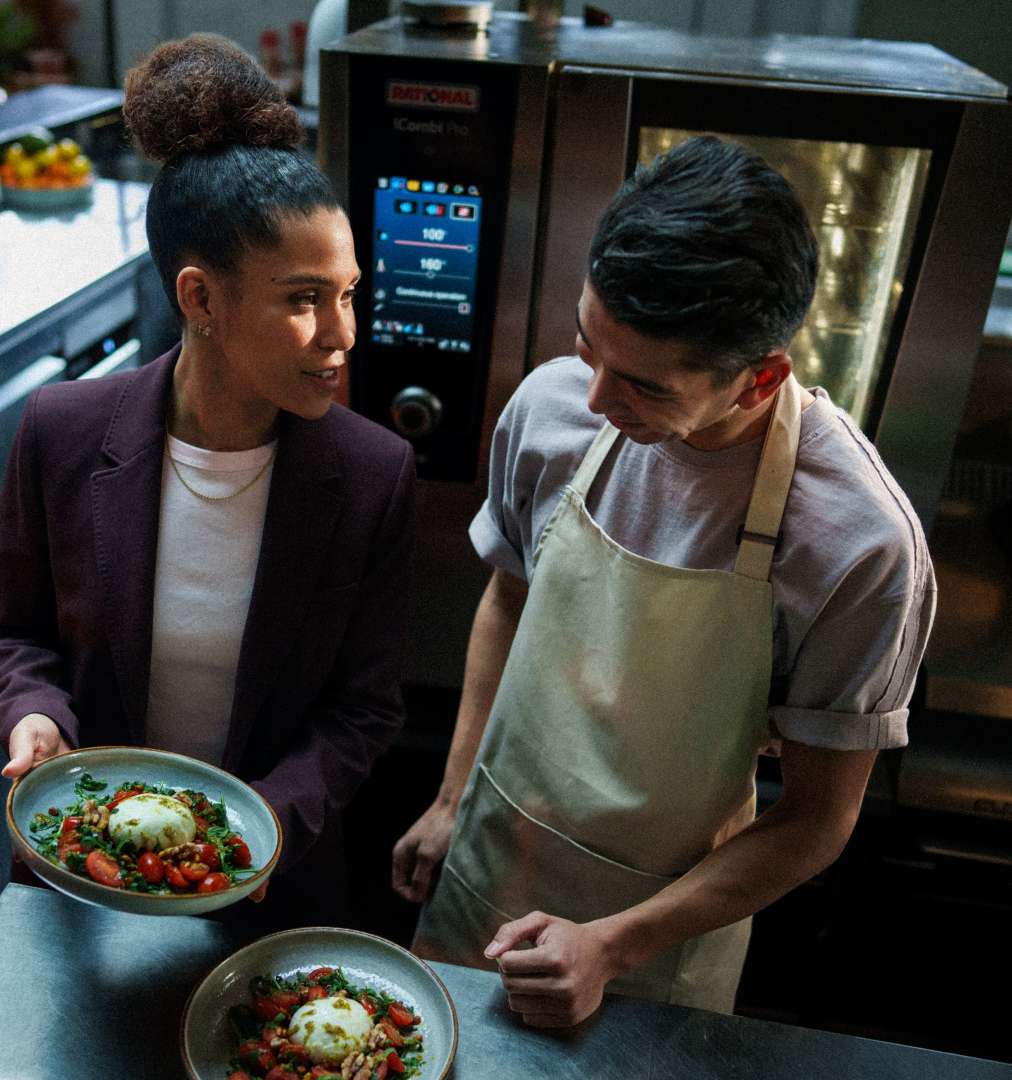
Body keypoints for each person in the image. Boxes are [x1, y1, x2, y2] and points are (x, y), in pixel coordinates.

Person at [390, 136, 935, 1023]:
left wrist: (610, 945)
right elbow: (508, 599)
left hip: (656, 942)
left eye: (643, 386)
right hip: (491, 859)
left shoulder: (859, 545)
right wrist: (452, 798)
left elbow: (815, 822)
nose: (595, 400)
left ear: (760, 379)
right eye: (587, 343)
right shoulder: (550, 411)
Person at [0, 34, 416, 929]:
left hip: (266, 883)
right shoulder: (63, 431)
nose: (342, 334)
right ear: (200, 299)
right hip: (84, 864)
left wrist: (252, 833)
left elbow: (362, 710)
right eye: (303, 299)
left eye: (348, 293)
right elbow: (10, 631)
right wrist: (33, 714)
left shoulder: (373, 474)